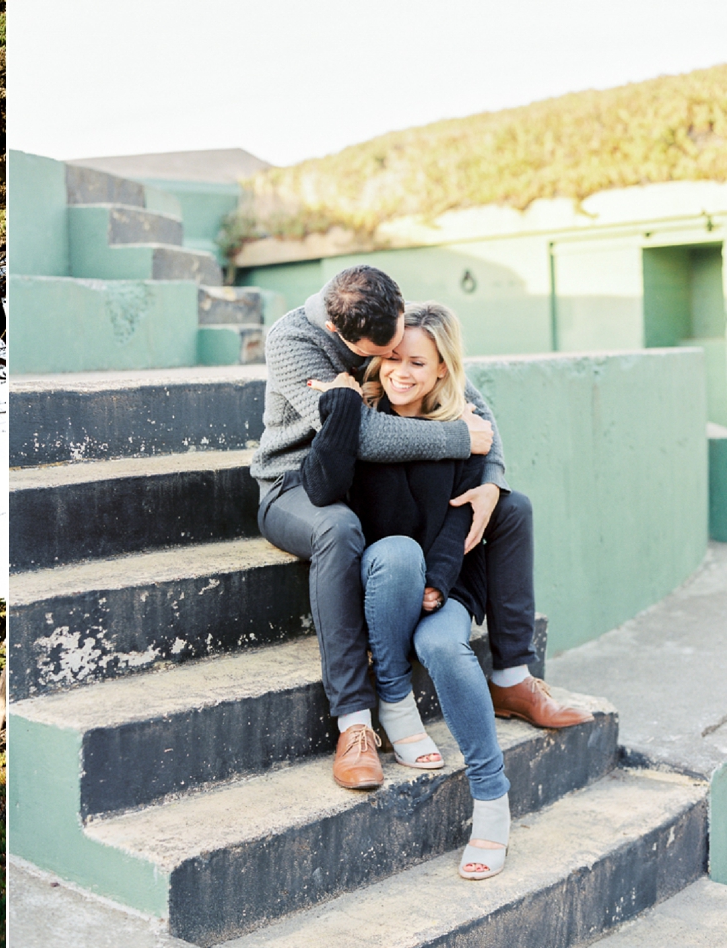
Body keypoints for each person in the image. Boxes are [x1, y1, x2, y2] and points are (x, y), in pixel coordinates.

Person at [252, 265, 589, 792]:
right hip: (298, 485)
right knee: (339, 529)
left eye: (402, 347)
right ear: (345, 339)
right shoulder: (294, 341)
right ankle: (355, 724)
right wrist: (460, 441)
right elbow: (358, 438)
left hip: (372, 481)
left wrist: (491, 482)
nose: (394, 363)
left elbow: (473, 406)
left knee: (513, 508)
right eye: (382, 356)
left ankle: (512, 679)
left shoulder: (390, 319)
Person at [301, 301, 544, 879]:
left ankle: (491, 800)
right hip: (387, 587)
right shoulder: (364, 418)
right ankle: (392, 695)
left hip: (447, 583)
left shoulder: (460, 431)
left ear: (441, 370)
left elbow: (461, 521)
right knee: (394, 551)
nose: (400, 371)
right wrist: (338, 408)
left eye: (418, 362)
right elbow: (321, 487)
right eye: (392, 358)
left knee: (440, 646)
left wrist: (438, 587)